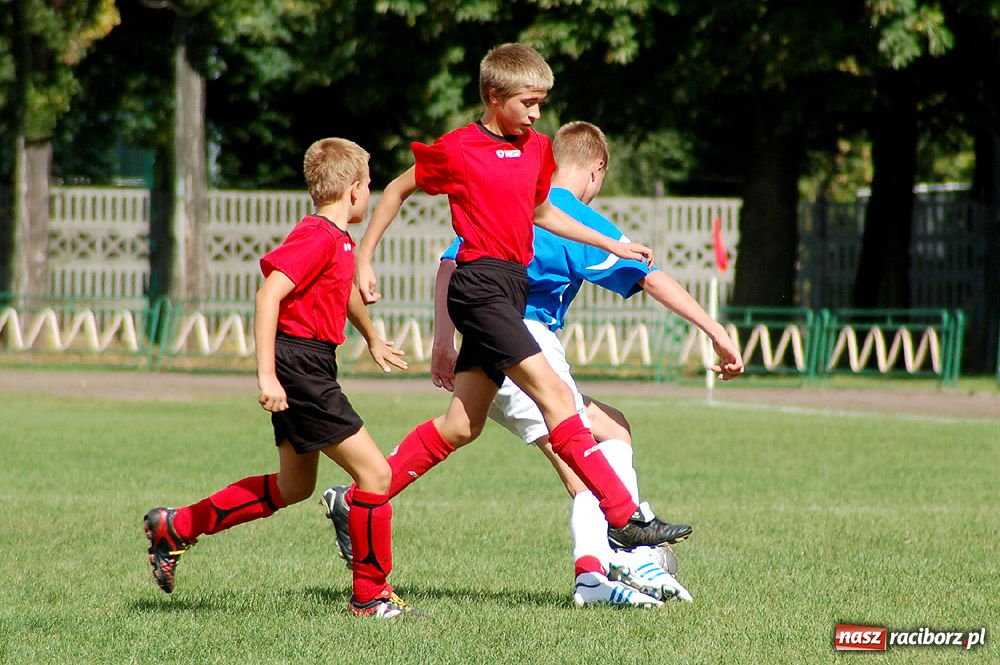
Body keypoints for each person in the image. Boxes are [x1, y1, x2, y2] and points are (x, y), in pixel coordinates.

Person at [326, 122, 744, 607]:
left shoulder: (513, 194)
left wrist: (443, 338)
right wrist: (717, 332)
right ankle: (612, 566)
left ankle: (359, 498)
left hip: (483, 329)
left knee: (473, 427)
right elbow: (651, 279)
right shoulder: (570, 213)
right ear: (597, 169)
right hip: (523, 339)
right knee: (588, 454)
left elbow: (450, 263)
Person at [345, 43, 655, 549]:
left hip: (511, 287)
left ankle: (362, 497)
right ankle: (622, 515)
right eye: (527, 103)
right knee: (557, 397)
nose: (536, 114)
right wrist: (364, 257)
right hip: (479, 285)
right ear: (494, 96)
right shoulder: (459, 148)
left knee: (462, 425)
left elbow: (544, 214)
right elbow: (398, 190)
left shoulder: (536, 149)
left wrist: (612, 243)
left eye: (540, 104)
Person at [143, 138, 419, 619]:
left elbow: (341, 287)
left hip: (308, 364)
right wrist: (267, 376)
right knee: (375, 474)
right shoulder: (316, 236)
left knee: (294, 487)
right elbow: (268, 295)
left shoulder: (337, 239)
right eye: (370, 185)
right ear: (354, 191)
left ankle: (177, 526)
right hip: (300, 367)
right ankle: (370, 596)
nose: (370, 194)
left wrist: (372, 336)